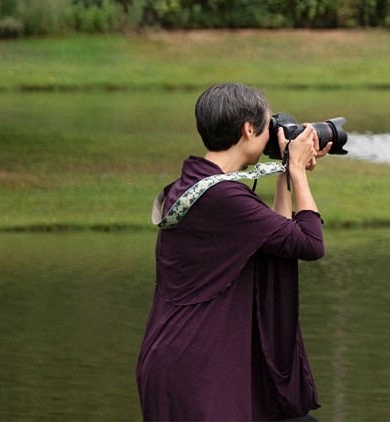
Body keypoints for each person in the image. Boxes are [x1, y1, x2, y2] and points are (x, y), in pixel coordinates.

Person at [138, 83, 332, 421]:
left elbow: (277, 238)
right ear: (248, 129)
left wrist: (285, 170)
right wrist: (298, 172)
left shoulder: (192, 185)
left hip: (184, 358)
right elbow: (310, 243)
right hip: (198, 371)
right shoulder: (224, 199)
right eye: (267, 126)